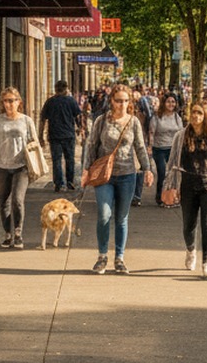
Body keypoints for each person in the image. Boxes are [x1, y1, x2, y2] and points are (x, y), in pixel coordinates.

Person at [81, 84, 154, 274]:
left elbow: (140, 146)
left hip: (127, 174)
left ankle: (119, 258)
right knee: (104, 214)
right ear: (111, 101)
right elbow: (92, 145)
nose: (122, 104)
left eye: (125, 101)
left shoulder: (134, 122)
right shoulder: (101, 120)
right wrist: (86, 170)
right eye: (118, 100)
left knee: (122, 218)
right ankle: (102, 256)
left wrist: (147, 169)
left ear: (130, 102)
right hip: (105, 175)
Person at [165, 102, 207, 279]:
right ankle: (191, 250)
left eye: (200, 113)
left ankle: (206, 263)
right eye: (193, 112)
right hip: (187, 185)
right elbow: (172, 163)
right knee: (189, 224)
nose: (195, 116)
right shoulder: (181, 136)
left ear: (206, 116)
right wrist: (169, 186)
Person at [0, 87, 37, 249]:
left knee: (17, 200)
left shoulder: (26, 120)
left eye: (12, 100)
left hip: (21, 166)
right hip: (1, 165)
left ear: (18, 102)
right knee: (4, 201)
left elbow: (35, 140)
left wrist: (29, 146)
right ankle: (7, 234)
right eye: (6, 101)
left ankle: (18, 233)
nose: (9, 104)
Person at [40, 80, 83, 192]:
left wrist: (41, 136)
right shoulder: (71, 101)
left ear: (55, 89)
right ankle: (70, 182)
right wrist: (81, 128)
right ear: (65, 89)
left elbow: (42, 119)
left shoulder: (50, 102)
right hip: (69, 135)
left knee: (57, 160)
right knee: (70, 159)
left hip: (54, 135)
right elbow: (78, 116)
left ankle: (59, 183)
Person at [149, 93, 184, 208]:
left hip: (173, 149)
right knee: (162, 172)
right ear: (164, 103)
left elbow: (181, 132)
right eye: (168, 102)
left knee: (174, 174)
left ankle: (173, 197)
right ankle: (160, 197)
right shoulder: (157, 117)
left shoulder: (177, 117)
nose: (171, 104)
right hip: (159, 148)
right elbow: (151, 132)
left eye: (173, 102)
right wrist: (150, 146)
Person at [131, 88, 155, 207]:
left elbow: (149, 121)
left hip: (141, 139)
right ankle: (133, 194)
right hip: (133, 141)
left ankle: (137, 195)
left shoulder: (142, 110)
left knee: (139, 167)